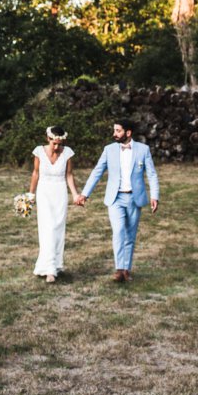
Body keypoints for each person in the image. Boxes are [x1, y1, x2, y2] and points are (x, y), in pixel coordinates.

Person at [76, 119, 159, 282]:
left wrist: (154, 196)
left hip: (135, 198)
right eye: (114, 130)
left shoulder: (143, 150)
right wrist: (85, 194)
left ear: (128, 133)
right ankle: (119, 269)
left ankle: (127, 269)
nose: (114, 134)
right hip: (115, 198)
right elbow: (97, 172)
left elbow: (152, 174)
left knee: (130, 235)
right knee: (119, 231)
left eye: (118, 131)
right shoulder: (109, 150)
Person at [29, 125, 81, 284]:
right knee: (47, 228)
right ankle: (49, 269)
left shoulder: (67, 153)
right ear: (48, 139)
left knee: (57, 229)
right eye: (54, 143)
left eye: (59, 144)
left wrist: (75, 194)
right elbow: (36, 173)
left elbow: (69, 175)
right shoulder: (39, 151)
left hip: (59, 193)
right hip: (44, 192)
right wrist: (31, 194)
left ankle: (55, 265)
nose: (57, 147)